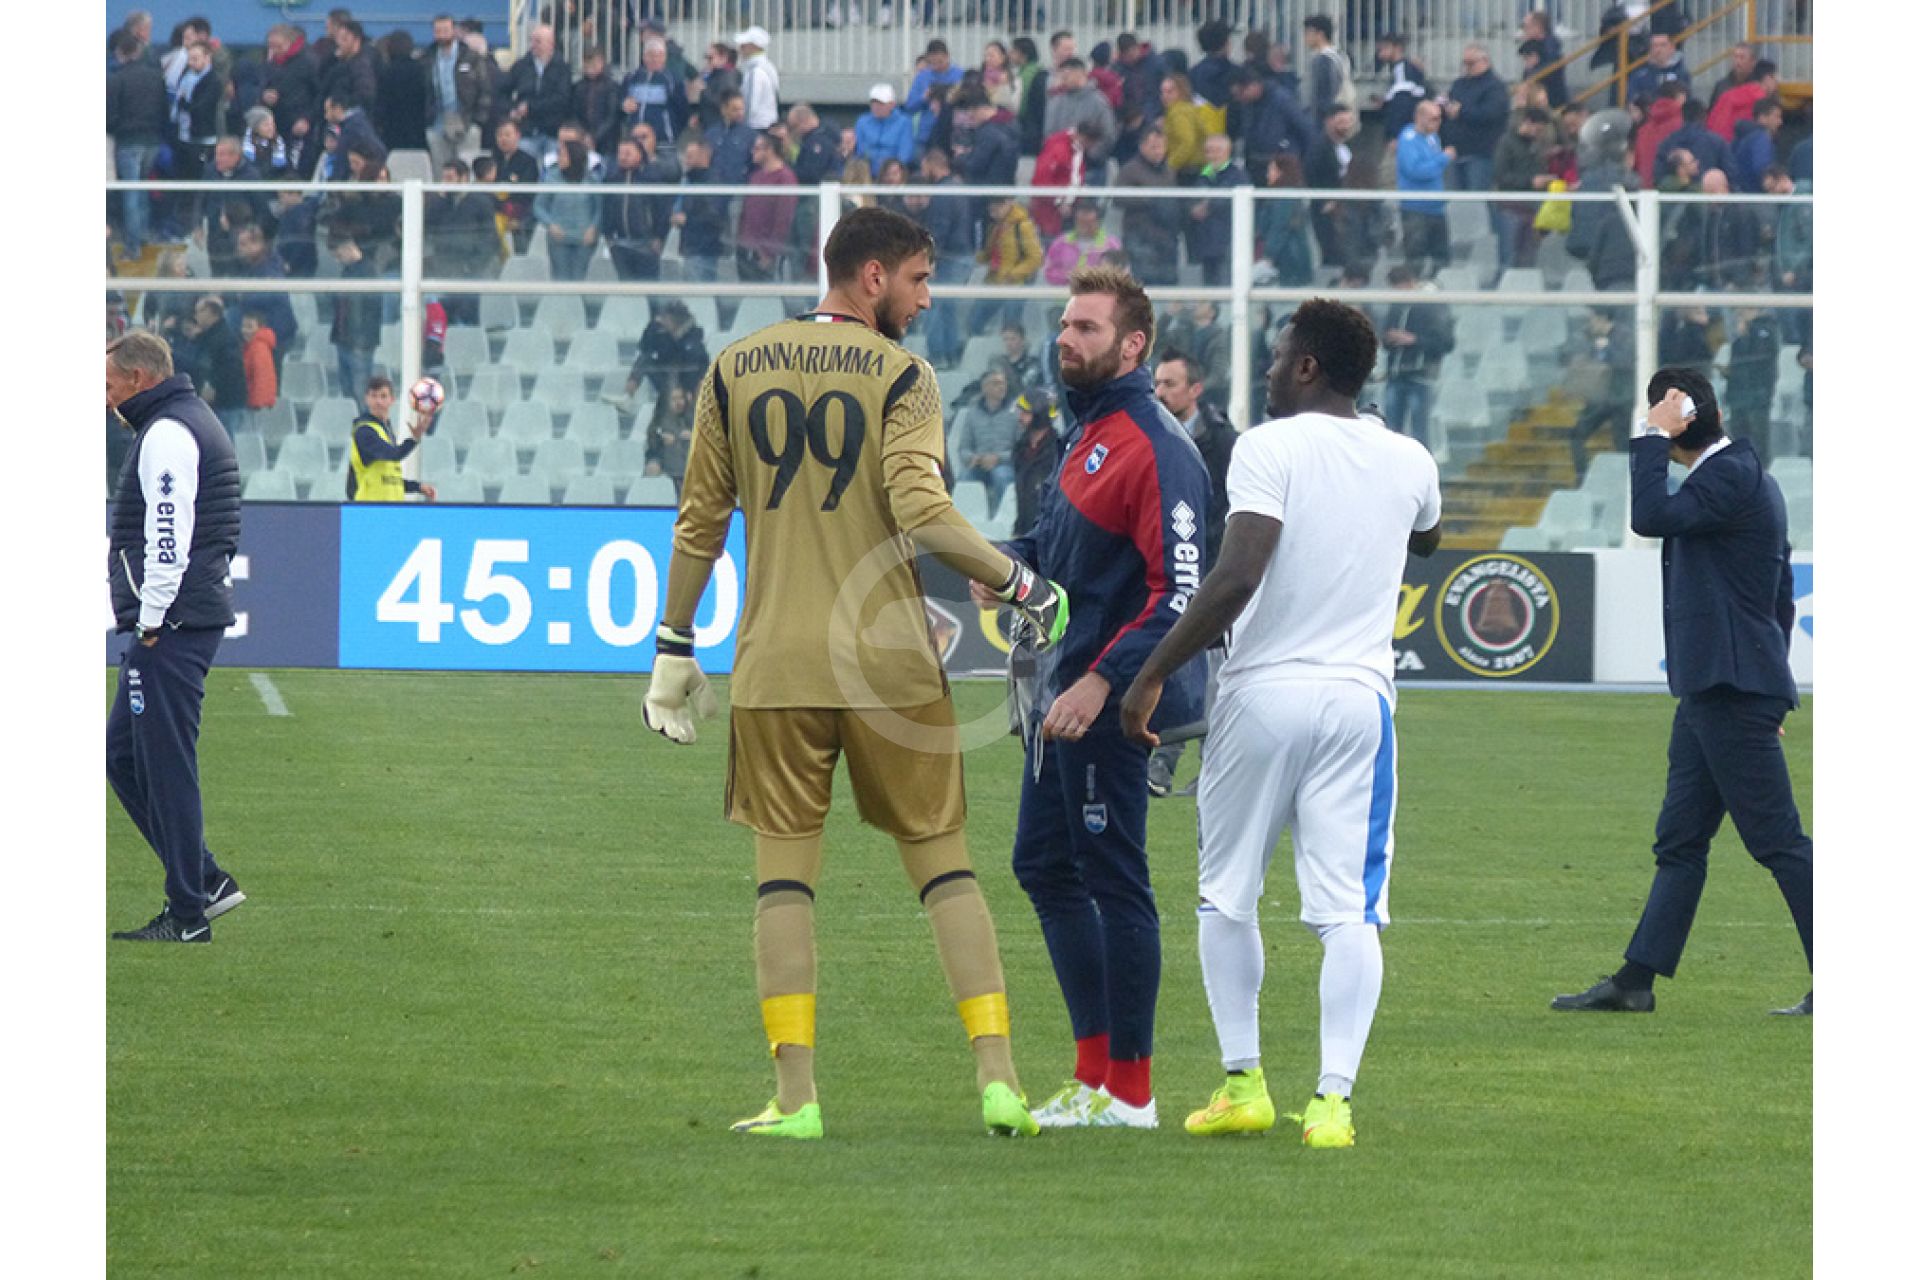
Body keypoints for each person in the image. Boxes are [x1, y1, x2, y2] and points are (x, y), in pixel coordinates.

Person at [645, 206, 1063, 1140]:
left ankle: (796, 1102)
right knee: (945, 869)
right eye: (918, 279)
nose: (927, 298)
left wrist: (674, 644)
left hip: (776, 666)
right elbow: (922, 507)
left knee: (783, 884)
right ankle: (999, 1079)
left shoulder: (733, 367)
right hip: (891, 664)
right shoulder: (905, 375)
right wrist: (1020, 581)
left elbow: (699, 520)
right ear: (872, 277)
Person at [1117, 298, 1443, 1148]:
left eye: (1276, 356)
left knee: (1227, 893)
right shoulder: (1410, 456)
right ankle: (1333, 1103)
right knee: (1349, 911)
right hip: (1360, 701)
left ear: (1307, 367)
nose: (1266, 370)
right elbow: (1430, 536)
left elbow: (1235, 577)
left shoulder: (1268, 447)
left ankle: (1245, 1085)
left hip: (1264, 693)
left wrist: (1151, 676)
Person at [982, 266, 1213, 1131]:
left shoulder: (1155, 444)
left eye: (1086, 327)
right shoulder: (1087, 433)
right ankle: (1093, 1076)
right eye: (1065, 325)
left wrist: (1103, 680)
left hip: (1114, 702)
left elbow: (1180, 595)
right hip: (1063, 693)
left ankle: (1131, 1092)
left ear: (1133, 344)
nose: (1066, 339)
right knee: (1043, 865)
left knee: (1114, 878)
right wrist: (1003, 566)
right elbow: (1054, 545)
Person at [1552, 371, 1812, 1019]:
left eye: (1660, 413)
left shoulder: (1729, 477)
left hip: (1729, 690)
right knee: (1680, 841)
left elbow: (1650, 516)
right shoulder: (1742, 477)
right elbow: (1779, 596)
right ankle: (1635, 981)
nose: (1653, 424)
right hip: (1721, 688)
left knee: (1778, 843)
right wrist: (1768, 682)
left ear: (1684, 416)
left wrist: (1650, 437)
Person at [106, 330, 247, 943]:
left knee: (165, 764)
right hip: (182, 615)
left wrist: (152, 617)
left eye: (109, 383)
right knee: (122, 754)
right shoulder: (183, 420)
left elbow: (169, 532)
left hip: (172, 622)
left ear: (139, 378)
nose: (105, 395)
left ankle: (189, 912)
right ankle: (205, 879)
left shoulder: (166, 432)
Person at [1142, 350, 1237, 798]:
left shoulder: (1224, 443)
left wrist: (1214, 563)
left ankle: (1209, 767)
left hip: (1212, 571)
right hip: (1162, 567)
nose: (1160, 392)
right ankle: (1161, 761)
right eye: (1157, 383)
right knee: (1168, 659)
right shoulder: (1149, 434)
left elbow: (1231, 510)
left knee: (1212, 674)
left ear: (1195, 389)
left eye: (1170, 384)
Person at [1378, 265, 1453, 449]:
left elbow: (1445, 342)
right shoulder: (1396, 306)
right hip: (1395, 375)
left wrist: (1414, 340)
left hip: (1421, 376)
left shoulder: (1433, 305)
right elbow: (1385, 337)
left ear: (1411, 283)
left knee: (1420, 432)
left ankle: (1421, 465)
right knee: (1392, 432)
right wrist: (1388, 338)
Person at [346, 375, 438, 502]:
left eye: (383, 396)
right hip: (370, 507)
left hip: (391, 506)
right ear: (367, 399)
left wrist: (417, 487)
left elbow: (390, 479)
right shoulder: (364, 431)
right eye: (374, 396)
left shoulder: (386, 431)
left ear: (392, 400)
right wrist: (414, 439)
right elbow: (393, 454)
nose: (378, 401)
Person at [423, 12, 493, 171]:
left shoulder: (471, 57)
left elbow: (484, 89)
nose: (441, 35)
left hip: (467, 122)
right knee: (441, 171)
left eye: (445, 30)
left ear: (454, 30)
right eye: (438, 31)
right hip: (438, 123)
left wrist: (478, 120)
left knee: (467, 169)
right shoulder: (427, 59)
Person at [949, 366, 1021, 517]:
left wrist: (998, 458)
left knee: (1002, 476)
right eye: (996, 383)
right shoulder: (972, 414)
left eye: (1003, 383)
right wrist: (973, 458)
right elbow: (963, 448)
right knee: (965, 478)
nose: (1001, 387)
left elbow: (1021, 447)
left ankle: (1006, 519)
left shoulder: (1015, 413)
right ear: (985, 388)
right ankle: (967, 520)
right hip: (979, 465)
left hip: (1005, 464)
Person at [1396, 100, 1454, 277]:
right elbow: (1416, 171)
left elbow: (1434, 168)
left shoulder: (1433, 138)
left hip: (1436, 208)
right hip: (1416, 209)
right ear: (1419, 118)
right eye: (1433, 119)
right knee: (1416, 257)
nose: (1438, 123)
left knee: (1442, 256)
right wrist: (1443, 159)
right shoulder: (1408, 140)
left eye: (1439, 118)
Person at [1440, 44, 1507, 191]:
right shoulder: (1459, 84)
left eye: (1471, 63)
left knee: (1476, 197)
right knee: (1453, 197)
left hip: (1480, 153)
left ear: (1485, 61)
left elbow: (1491, 113)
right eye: (1464, 63)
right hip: (1454, 152)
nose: (1467, 67)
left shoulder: (1495, 87)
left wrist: (1462, 111)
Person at [1188, 134, 1248, 287]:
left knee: (1225, 284)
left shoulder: (1237, 175)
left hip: (1227, 243)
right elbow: (1194, 197)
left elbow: (1227, 200)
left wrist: (1207, 206)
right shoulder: (1204, 174)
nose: (1212, 155)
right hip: (1206, 241)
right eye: (1209, 151)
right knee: (1209, 284)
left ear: (1227, 152)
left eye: (1217, 151)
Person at [507, 23, 570, 152]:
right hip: (526, 131)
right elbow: (504, 91)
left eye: (538, 41)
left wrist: (530, 108)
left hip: (552, 132)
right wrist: (513, 109)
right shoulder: (521, 66)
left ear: (550, 43)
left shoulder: (562, 68)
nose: (533, 45)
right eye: (532, 40)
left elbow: (562, 99)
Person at [1010, 387, 1060, 537]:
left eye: (1026, 412)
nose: (1020, 417)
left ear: (1040, 414)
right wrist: (1018, 530)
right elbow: (1022, 494)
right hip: (1024, 528)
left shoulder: (1059, 450)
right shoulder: (1020, 448)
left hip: (1049, 531)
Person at [735, 26, 779, 131]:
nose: (740, 49)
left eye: (743, 46)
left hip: (757, 126)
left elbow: (750, 103)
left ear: (753, 47)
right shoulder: (768, 67)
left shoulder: (755, 71)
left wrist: (742, 126)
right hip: (768, 123)